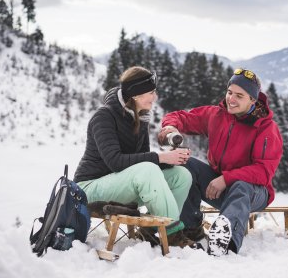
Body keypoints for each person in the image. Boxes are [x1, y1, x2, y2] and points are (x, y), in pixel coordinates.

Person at [158, 68, 283, 256]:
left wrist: (226, 179)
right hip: (218, 184)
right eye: (229, 92)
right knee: (186, 163)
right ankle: (191, 229)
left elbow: (263, 172)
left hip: (254, 191)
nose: (231, 99)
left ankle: (226, 242)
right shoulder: (217, 115)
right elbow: (182, 117)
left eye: (239, 96)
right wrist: (170, 127)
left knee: (241, 186)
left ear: (253, 100)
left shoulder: (266, 128)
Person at [74, 66, 197, 248]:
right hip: (90, 187)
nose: (155, 97)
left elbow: (144, 159)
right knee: (148, 169)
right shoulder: (104, 117)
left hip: (120, 183)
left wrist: (173, 159)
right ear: (135, 95)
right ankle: (172, 234)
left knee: (181, 175)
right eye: (151, 92)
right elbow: (115, 162)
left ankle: (152, 231)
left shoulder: (140, 117)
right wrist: (162, 158)